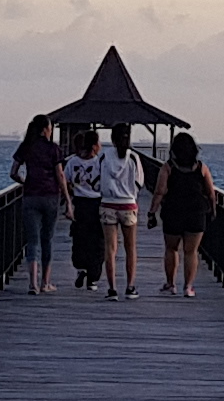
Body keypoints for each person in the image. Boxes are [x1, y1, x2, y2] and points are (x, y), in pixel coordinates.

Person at [77, 126, 146, 298]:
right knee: (130, 248)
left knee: (110, 248)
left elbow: (95, 181)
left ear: (112, 139)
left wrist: (105, 190)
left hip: (108, 204)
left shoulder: (104, 156)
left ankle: (112, 289)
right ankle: (130, 287)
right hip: (128, 205)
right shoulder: (133, 157)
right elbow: (139, 182)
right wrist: (130, 194)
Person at [8, 113, 68, 295]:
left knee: (32, 241)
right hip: (50, 196)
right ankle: (45, 283)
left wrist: (25, 181)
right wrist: (68, 199)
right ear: (45, 130)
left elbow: (13, 172)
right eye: (50, 128)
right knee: (47, 239)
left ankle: (32, 284)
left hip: (31, 196)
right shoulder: (53, 149)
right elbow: (60, 175)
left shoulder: (26, 146)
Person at [154, 131, 214, 297]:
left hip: (173, 211)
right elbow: (210, 193)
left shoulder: (168, 167)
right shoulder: (201, 168)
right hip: (196, 213)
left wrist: (152, 211)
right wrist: (213, 210)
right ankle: (188, 287)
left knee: (171, 248)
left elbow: (160, 191)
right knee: (191, 251)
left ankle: (170, 284)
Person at [66, 127, 107, 289]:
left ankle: (81, 267)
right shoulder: (100, 162)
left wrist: (69, 198)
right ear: (95, 145)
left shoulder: (73, 162)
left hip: (80, 203)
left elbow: (66, 181)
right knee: (98, 241)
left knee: (79, 238)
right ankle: (93, 278)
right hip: (97, 204)